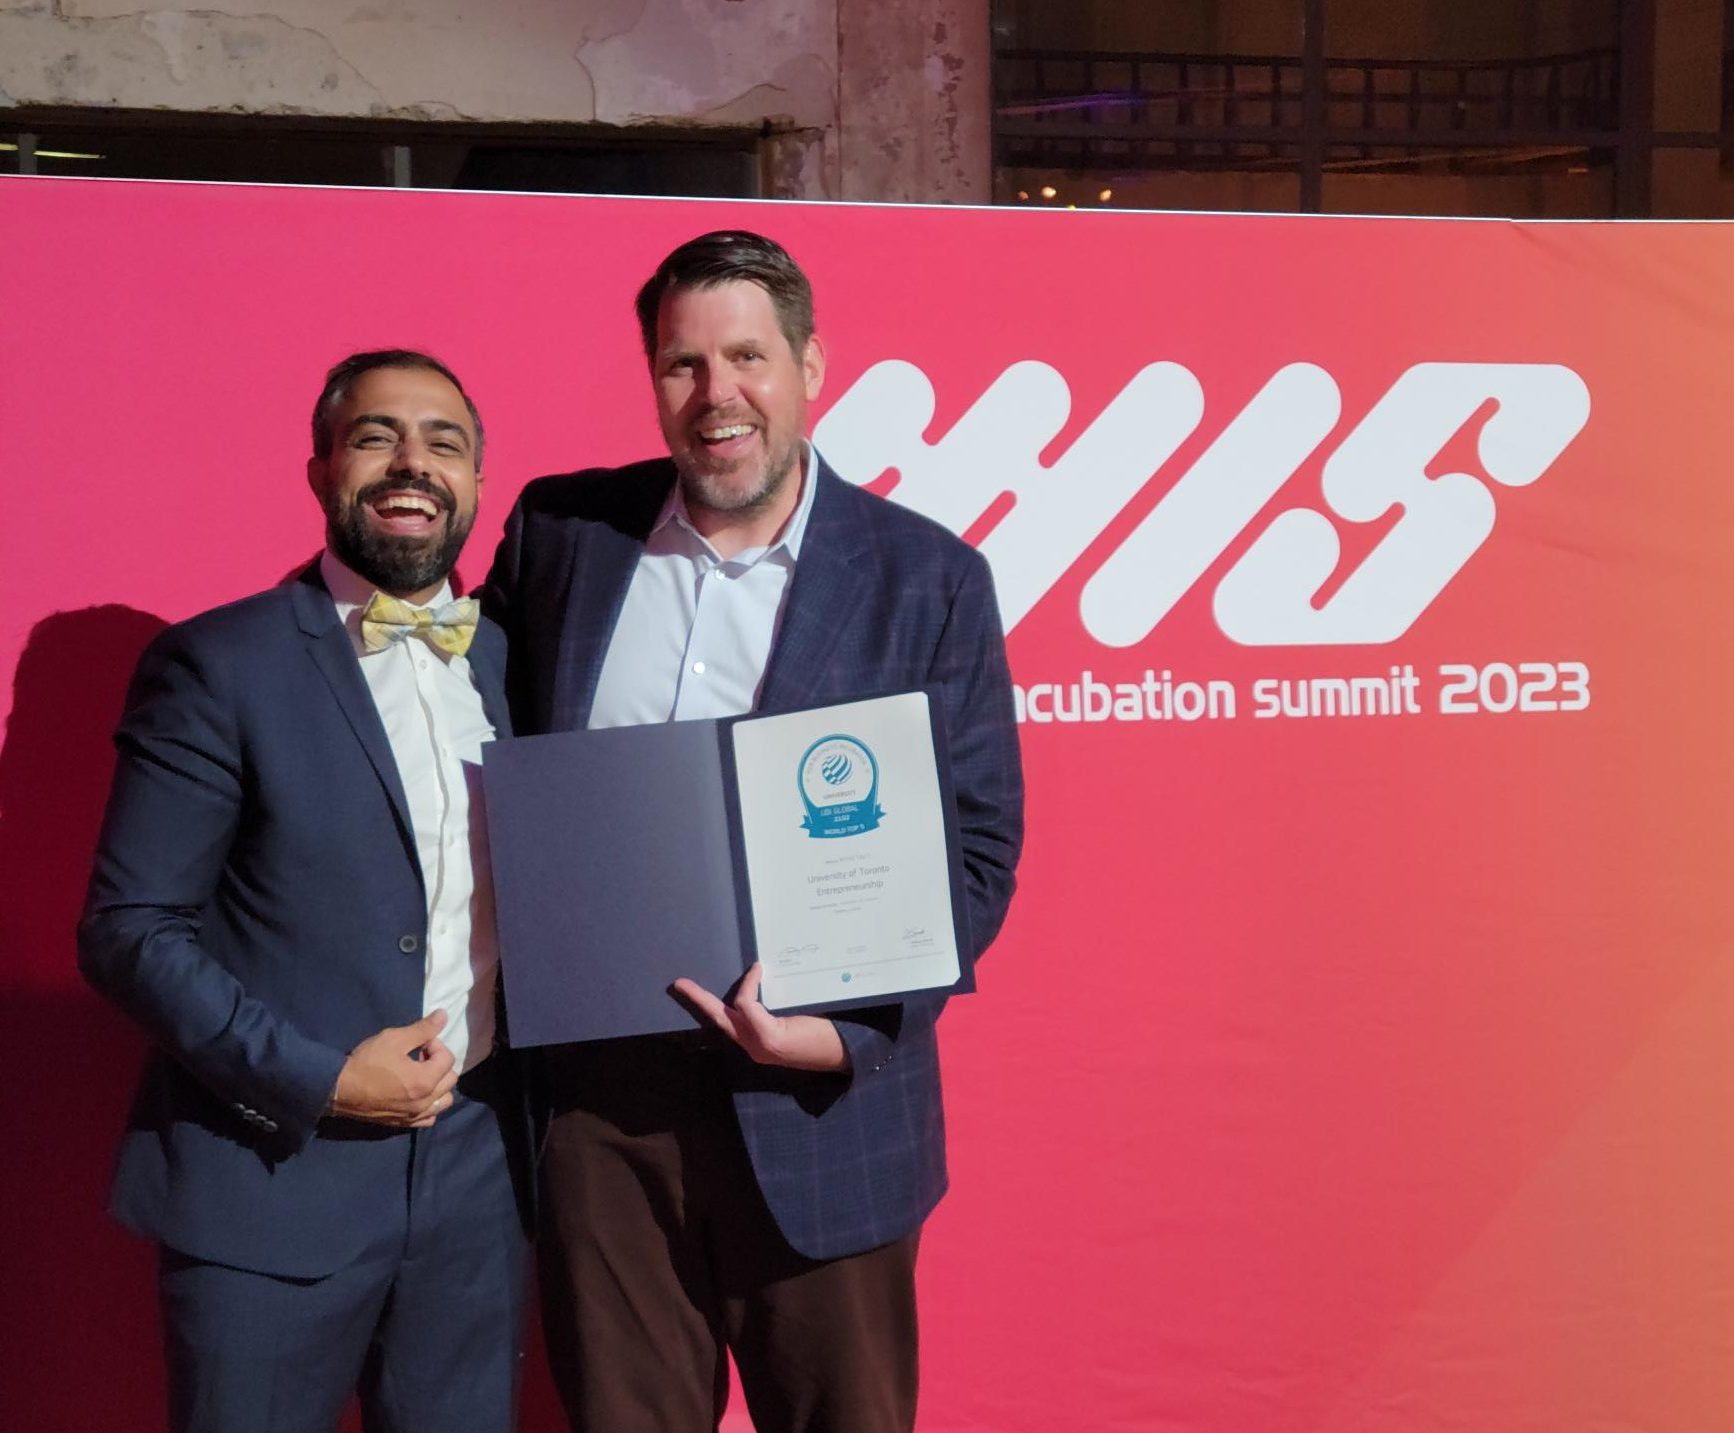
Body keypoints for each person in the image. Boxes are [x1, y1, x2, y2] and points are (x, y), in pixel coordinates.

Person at [485, 230, 1025, 1432]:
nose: (715, 393)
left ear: (810, 366)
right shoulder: (563, 534)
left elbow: (977, 848)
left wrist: (843, 1037)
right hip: (604, 1120)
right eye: (683, 363)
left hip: (820, 1110)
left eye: (746, 357)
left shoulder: (925, 578)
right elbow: (479, 748)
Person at [79, 350, 529, 1433]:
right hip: (269, 1187)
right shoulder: (220, 663)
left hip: (480, 1189)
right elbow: (130, 929)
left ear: (476, 481)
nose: (412, 463)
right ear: (322, 469)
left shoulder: (515, 663)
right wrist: (322, 1079)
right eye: (376, 436)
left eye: (444, 442)